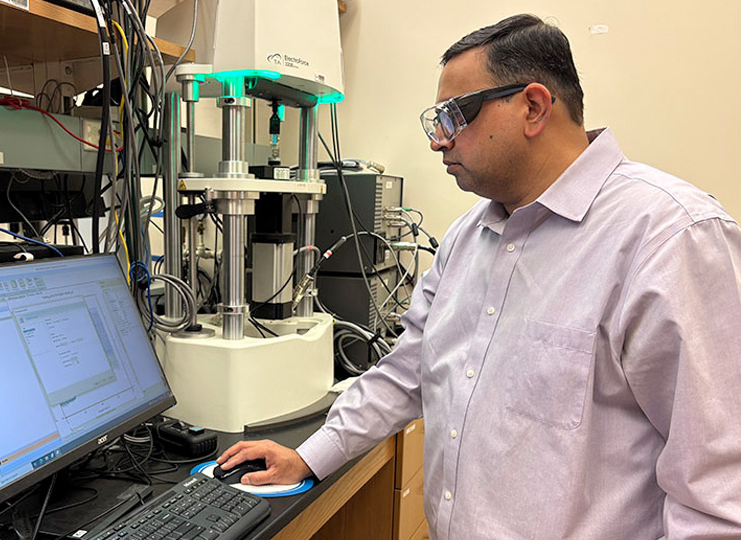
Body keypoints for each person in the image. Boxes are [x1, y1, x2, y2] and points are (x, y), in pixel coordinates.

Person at [216, 14, 741, 540]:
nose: (437, 142)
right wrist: (308, 457)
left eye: (453, 117)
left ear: (533, 107)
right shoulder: (470, 235)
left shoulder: (672, 238)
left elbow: (718, 495)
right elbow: (408, 372)